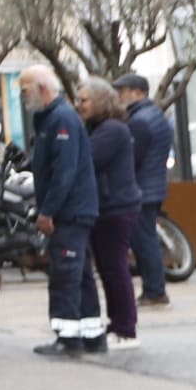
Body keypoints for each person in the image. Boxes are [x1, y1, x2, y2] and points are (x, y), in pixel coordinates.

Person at [20, 65, 103, 357]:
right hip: (75, 209)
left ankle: (68, 338)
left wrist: (48, 211)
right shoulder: (55, 119)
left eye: (25, 90)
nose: (23, 97)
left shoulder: (61, 119)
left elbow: (63, 172)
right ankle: (92, 334)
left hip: (69, 211)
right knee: (79, 273)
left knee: (65, 274)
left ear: (41, 88)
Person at [80, 80, 142, 349]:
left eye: (85, 100)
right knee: (108, 268)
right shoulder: (99, 128)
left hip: (115, 207)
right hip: (108, 206)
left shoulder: (112, 130)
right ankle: (117, 323)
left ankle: (126, 328)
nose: (79, 105)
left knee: (115, 268)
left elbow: (87, 160)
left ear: (101, 101)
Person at [116, 73, 173, 306]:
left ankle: (154, 291)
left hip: (142, 189)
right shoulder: (155, 115)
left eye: (123, 92)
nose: (119, 97)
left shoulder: (139, 121)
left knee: (144, 241)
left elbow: (131, 158)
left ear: (138, 93)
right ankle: (154, 289)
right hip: (153, 186)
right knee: (146, 238)